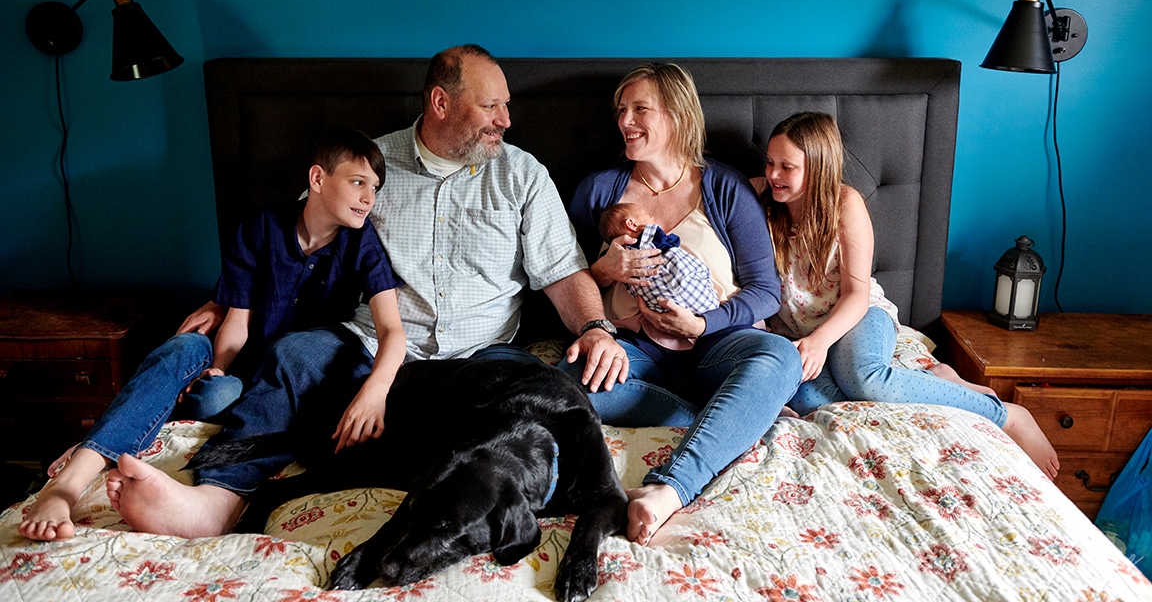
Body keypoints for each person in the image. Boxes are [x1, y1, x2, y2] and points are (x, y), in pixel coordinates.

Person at [104, 44, 628, 539]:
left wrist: (595, 326)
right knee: (292, 357)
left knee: (544, 397)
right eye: (491, 106)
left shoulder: (521, 174)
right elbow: (294, 243)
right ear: (441, 102)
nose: (506, 120)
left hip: (480, 360)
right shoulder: (369, 168)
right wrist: (229, 296)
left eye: (506, 106)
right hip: (372, 347)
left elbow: (562, 270)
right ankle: (218, 498)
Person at [19, 127, 407, 542]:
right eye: (358, 182)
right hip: (247, 364)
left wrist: (375, 390)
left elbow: (392, 330)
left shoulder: (362, 243)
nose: (370, 197)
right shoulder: (263, 226)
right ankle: (70, 481)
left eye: (375, 187)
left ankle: (212, 489)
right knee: (186, 350)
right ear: (317, 179)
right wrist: (219, 367)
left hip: (298, 373)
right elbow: (237, 318)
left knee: (261, 372)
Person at [563, 62, 802, 546]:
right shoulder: (598, 192)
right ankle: (724, 415)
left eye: (639, 109)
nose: (624, 121)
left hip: (717, 346)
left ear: (675, 115)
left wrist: (702, 323)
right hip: (635, 352)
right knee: (566, 383)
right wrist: (602, 271)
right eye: (620, 110)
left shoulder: (724, 188)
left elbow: (764, 291)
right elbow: (561, 281)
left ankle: (670, 490)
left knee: (780, 358)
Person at [755, 111, 1059, 479]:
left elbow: (856, 293)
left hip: (856, 315)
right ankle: (936, 380)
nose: (773, 174)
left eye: (787, 167)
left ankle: (1007, 415)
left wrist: (820, 341)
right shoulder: (758, 199)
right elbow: (703, 187)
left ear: (819, 168)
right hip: (797, 331)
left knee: (863, 378)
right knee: (804, 400)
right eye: (770, 162)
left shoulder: (844, 205)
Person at [598, 202, 720, 316]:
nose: (651, 216)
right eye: (645, 214)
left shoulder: (616, 255)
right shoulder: (651, 235)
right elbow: (672, 242)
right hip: (692, 292)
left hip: (660, 308)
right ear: (632, 224)